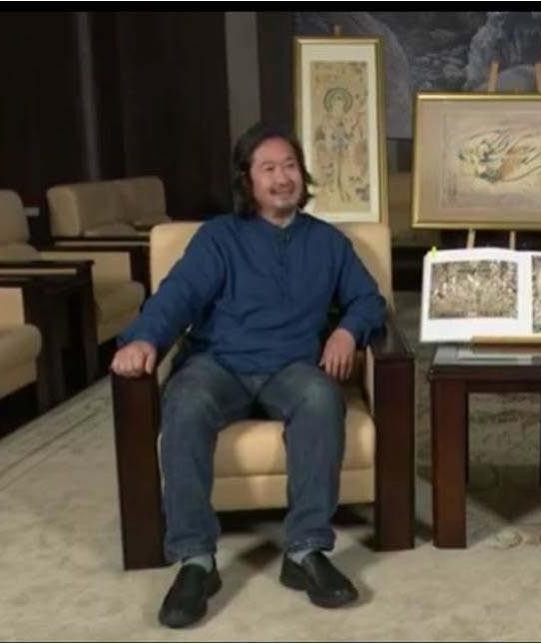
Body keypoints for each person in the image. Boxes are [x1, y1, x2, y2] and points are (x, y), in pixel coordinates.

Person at [111, 122, 387, 628]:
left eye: (290, 166)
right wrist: (143, 339)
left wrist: (348, 332)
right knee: (185, 402)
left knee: (322, 399)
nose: (282, 178)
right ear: (247, 180)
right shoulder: (219, 237)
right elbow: (178, 295)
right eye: (268, 168)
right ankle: (196, 560)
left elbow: (368, 300)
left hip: (292, 365)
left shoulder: (328, 242)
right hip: (219, 363)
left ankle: (305, 551)